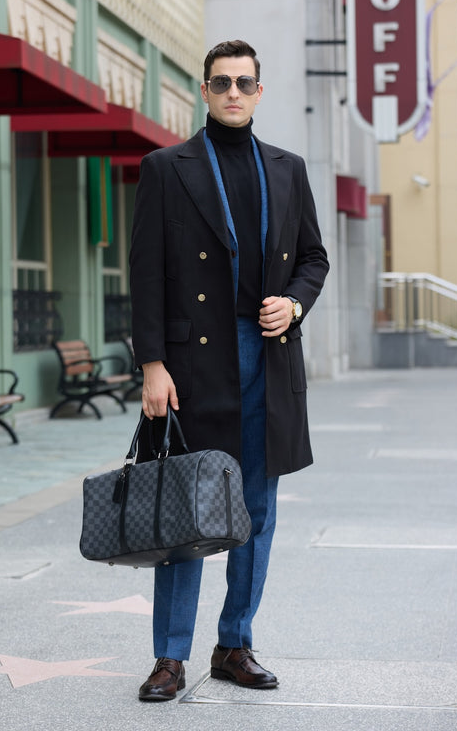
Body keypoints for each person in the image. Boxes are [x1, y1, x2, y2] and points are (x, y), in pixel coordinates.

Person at [129, 39, 329, 701]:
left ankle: (234, 643)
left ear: (259, 91)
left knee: (256, 511)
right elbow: (147, 273)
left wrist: (293, 302)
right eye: (222, 82)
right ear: (205, 91)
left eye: (244, 82)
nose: (234, 92)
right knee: (184, 513)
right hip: (189, 366)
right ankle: (169, 657)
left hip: (267, 363)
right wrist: (152, 363)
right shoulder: (166, 166)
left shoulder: (287, 167)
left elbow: (313, 258)